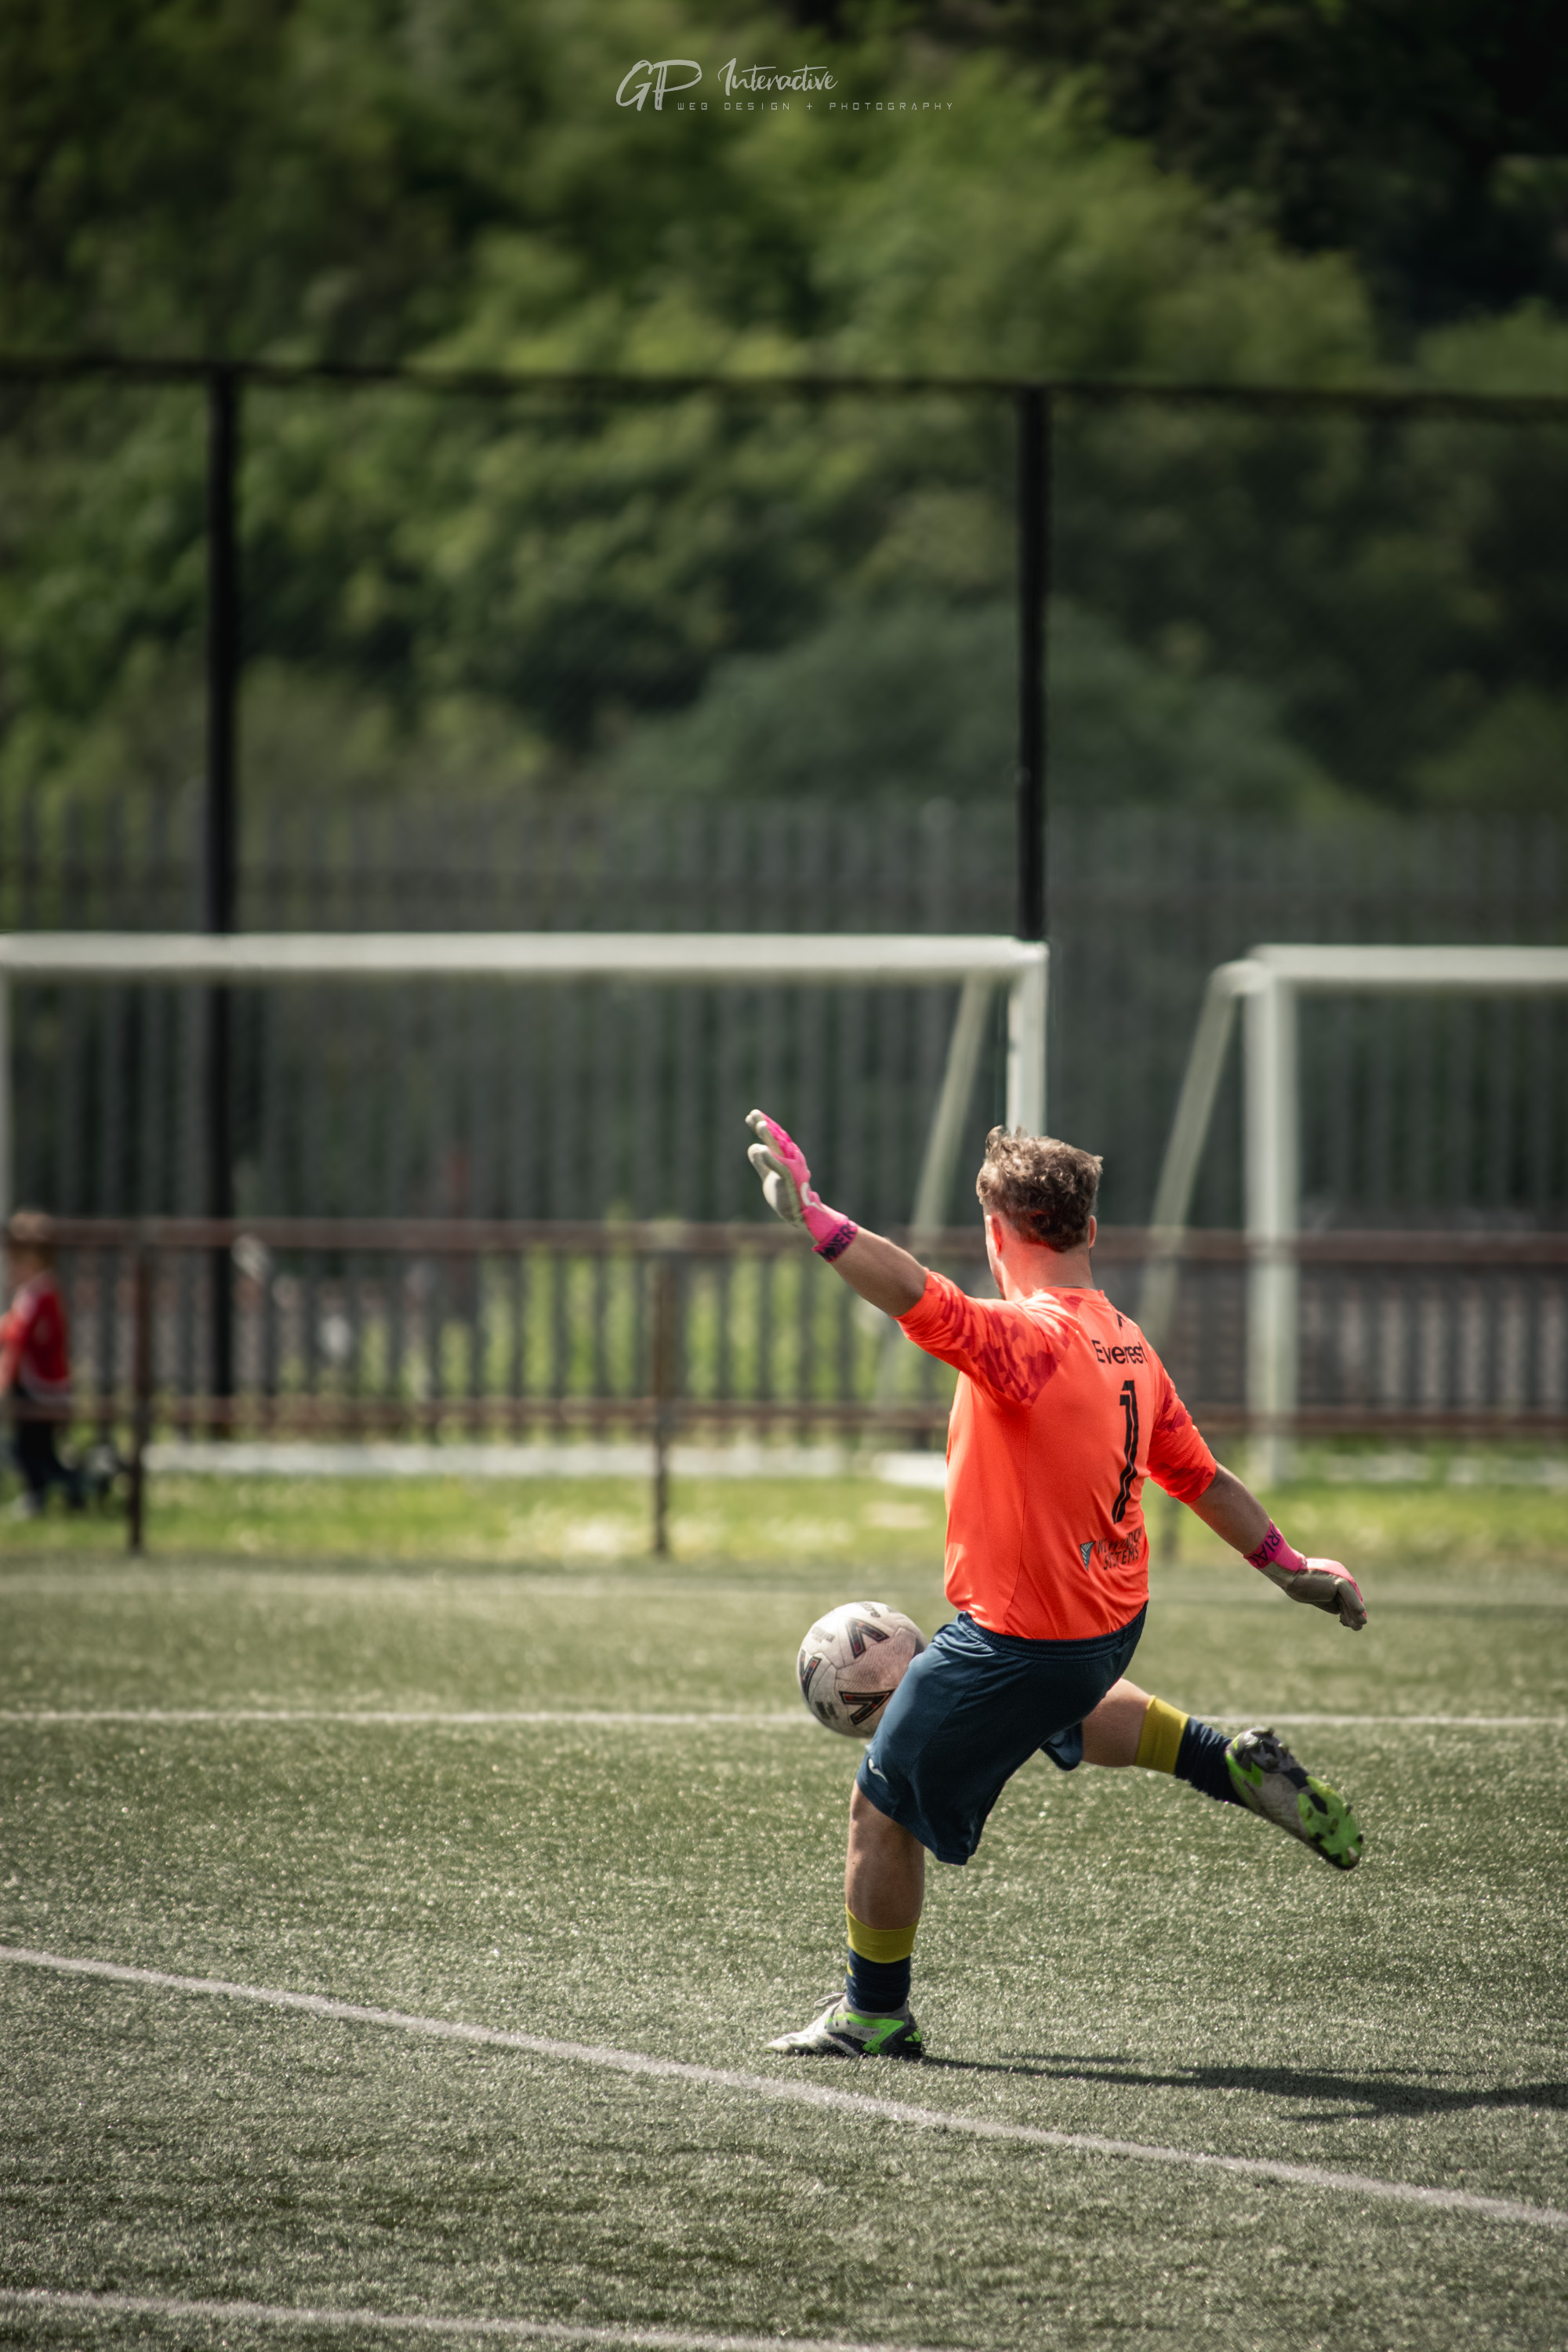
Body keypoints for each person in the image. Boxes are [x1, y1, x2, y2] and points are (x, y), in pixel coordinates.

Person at [745, 1112, 1367, 2061]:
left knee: (878, 1807)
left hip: (1021, 1639)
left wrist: (815, 1218)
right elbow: (1201, 1477)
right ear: (1086, 1231)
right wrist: (1289, 1568)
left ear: (998, 1235)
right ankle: (1217, 1761)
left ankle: (872, 2014)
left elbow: (919, 1296)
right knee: (1061, 1702)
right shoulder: (1126, 1343)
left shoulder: (1024, 1341)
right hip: (1107, 1626)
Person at [1, 1210, 80, 1518]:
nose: (9, 1268)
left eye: (15, 1260)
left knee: (31, 1451)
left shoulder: (38, 1295)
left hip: (40, 1389)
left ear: (32, 1259)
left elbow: (19, 1339)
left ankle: (47, 1494)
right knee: (39, 1451)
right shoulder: (38, 1293)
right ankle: (71, 1488)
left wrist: (4, 1377)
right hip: (45, 1387)